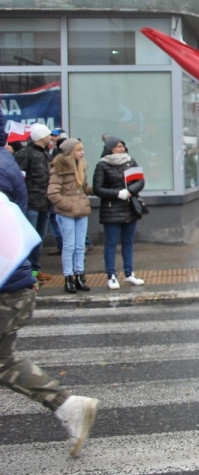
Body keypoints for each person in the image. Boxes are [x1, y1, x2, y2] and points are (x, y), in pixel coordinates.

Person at [1, 146, 100, 458]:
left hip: (6, 285)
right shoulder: (6, 163)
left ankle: (69, 405)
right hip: (13, 282)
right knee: (3, 361)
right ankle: (69, 406)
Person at [93, 136, 146, 289]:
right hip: (111, 209)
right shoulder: (102, 165)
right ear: (110, 149)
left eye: (122, 146)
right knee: (111, 243)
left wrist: (130, 191)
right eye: (118, 146)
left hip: (130, 207)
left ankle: (129, 274)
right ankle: (111, 276)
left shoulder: (130, 161)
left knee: (128, 242)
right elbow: (98, 188)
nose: (121, 149)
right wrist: (117, 193)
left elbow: (140, 181)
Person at [47, 138, 93, 293]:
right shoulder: (58, 168)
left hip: (81, 210)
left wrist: (98, 189)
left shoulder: (81, 166)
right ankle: (68, 277)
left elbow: (84, 188)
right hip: (67, 212)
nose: (82, 152)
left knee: (80, 246)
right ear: (70, 152)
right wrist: (69, 205)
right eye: (79, 150)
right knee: (69, 246)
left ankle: (79, 275)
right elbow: (53, 193)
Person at [14, 123, 54, 282]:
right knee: (29, 238)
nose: (51, 137)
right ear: (42, 137)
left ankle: (35, 270)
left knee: (40, 238)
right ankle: (26, 271)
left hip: (45, 202)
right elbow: (19, 178)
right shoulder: (25, 154)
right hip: (31, 202)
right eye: (48, 134)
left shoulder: (46, 154)